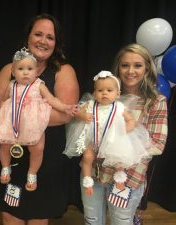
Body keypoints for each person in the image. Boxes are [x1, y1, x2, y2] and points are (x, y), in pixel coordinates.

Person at [0, 13, 79, 225]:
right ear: (27, 38)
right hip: (12, 154)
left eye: (50, 37)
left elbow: (64, 115)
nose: (43, 41)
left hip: (45, 157)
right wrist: (26, 116)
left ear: (56, 44)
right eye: (38, 34)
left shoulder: (63, 71)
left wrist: (22, 116)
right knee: (11, 215)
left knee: (39, 215)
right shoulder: (8, 70)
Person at [80, 43, 168, 225]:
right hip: (94, 172)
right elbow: (84, 128)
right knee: (92, 220)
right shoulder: (103, 95)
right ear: (117, 67)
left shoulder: (155, 101)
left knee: (121, 221)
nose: (130, 71)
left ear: (147, 69)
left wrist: (120, 148)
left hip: (127, 176)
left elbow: (157, 144)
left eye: (137, 65)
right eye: (125, 65)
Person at [0, 48, 77, 192]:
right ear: (13, 72)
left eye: (30, 69)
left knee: (37, 148)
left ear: (36, 72)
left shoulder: (39, 85)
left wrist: (65, 107)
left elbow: (51, 100)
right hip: (12, 123)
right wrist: (0, 114)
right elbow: (3, 100)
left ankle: (32, 173)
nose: (26, 72)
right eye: (21, 69)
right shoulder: (11, 85)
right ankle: (5, 167)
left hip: (33, 124)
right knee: (4, 145)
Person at [64, 70, 151, 197]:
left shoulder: (119, 107)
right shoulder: (90, 104)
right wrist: (83, 115)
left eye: (109, 90)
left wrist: (127, 128)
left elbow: (131, 120)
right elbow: (77, 113)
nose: (104, 93)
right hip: (92, 138)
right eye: (100, 90)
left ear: (117, 94)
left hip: (113, 139)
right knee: (87, 157)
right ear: (94, 93)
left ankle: (120, 180)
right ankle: (87, 181)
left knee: (119, 161)